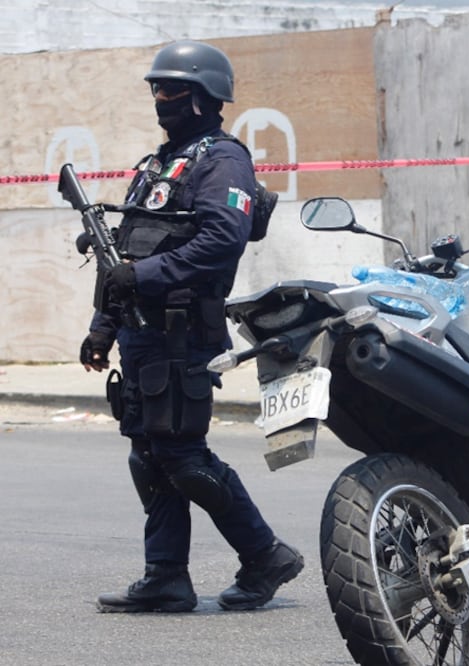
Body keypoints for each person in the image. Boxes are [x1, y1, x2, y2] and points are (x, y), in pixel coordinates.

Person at [79, 40, 303, 611]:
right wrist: (102, 328)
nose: (160, 98)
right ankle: (166, 578)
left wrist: (144, 273)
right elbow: (122, 256)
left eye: (172, 89)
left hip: (184, 334)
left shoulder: (223, 160)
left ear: (204, 97)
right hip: (141, 336)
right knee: (149, 458)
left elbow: (221, 240)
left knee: (184, 457)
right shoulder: (158, 164)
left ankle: (265, 556)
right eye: (156, 88)